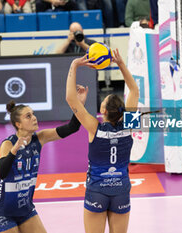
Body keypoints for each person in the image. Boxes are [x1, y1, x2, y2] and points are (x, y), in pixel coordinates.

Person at [0, 87, 88, 233]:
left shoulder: (40, 138)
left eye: (33, 114)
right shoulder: (8, 144)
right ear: (18, 124)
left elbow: (72, 128)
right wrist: (14, 151)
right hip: (3, 212)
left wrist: (79, 104)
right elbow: (2, 173)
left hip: (25, 210)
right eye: (28, 116)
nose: (34, 118)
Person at [65, 49, 139, 233]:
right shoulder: (129, 125)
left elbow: (70, 98)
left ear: (103, 111)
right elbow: (134, 90)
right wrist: (121, 64)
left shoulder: (94, 127)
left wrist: (74, 65)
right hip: (121, 189)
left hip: (97, 190)